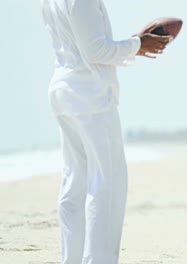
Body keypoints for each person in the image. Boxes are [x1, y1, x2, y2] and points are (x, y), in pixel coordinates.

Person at [40, 0, 171, 263]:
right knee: (106, 185)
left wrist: (134, 42)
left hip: (66, 92)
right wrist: (138, 45)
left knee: (75, 183)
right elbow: (95, 51)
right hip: (90, 97)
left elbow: (84, 46)